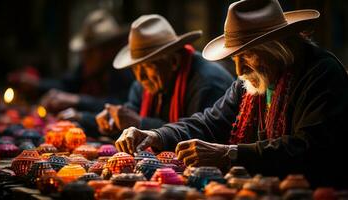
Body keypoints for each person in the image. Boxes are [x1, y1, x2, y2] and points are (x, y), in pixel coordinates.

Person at [115, 0, 348, 188]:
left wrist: (231, 154)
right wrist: (156, 135)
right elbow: (210, 122)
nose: (239, 70)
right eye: (235, 59)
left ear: (277, 48)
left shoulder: (321, 74)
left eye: (246, 56)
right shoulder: (252, 81)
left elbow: (308, 149)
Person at [96, 14, 234, 142]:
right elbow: (130, 116)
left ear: (173, 61)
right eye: (135, 67)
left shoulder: (207, 82)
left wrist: (139, 123)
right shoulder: (145, 84)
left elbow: (199, 136)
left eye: (147, 66)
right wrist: (113, 121)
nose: (140, 76)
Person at [9, 9, 134, 135]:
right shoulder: (87, 68)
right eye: (85, 51)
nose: (85, 57)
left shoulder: (124, 72)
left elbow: (120, 106)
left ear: (109, 50)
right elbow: (66, 85)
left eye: (91, 51)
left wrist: (76, 100)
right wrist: (37, 84)